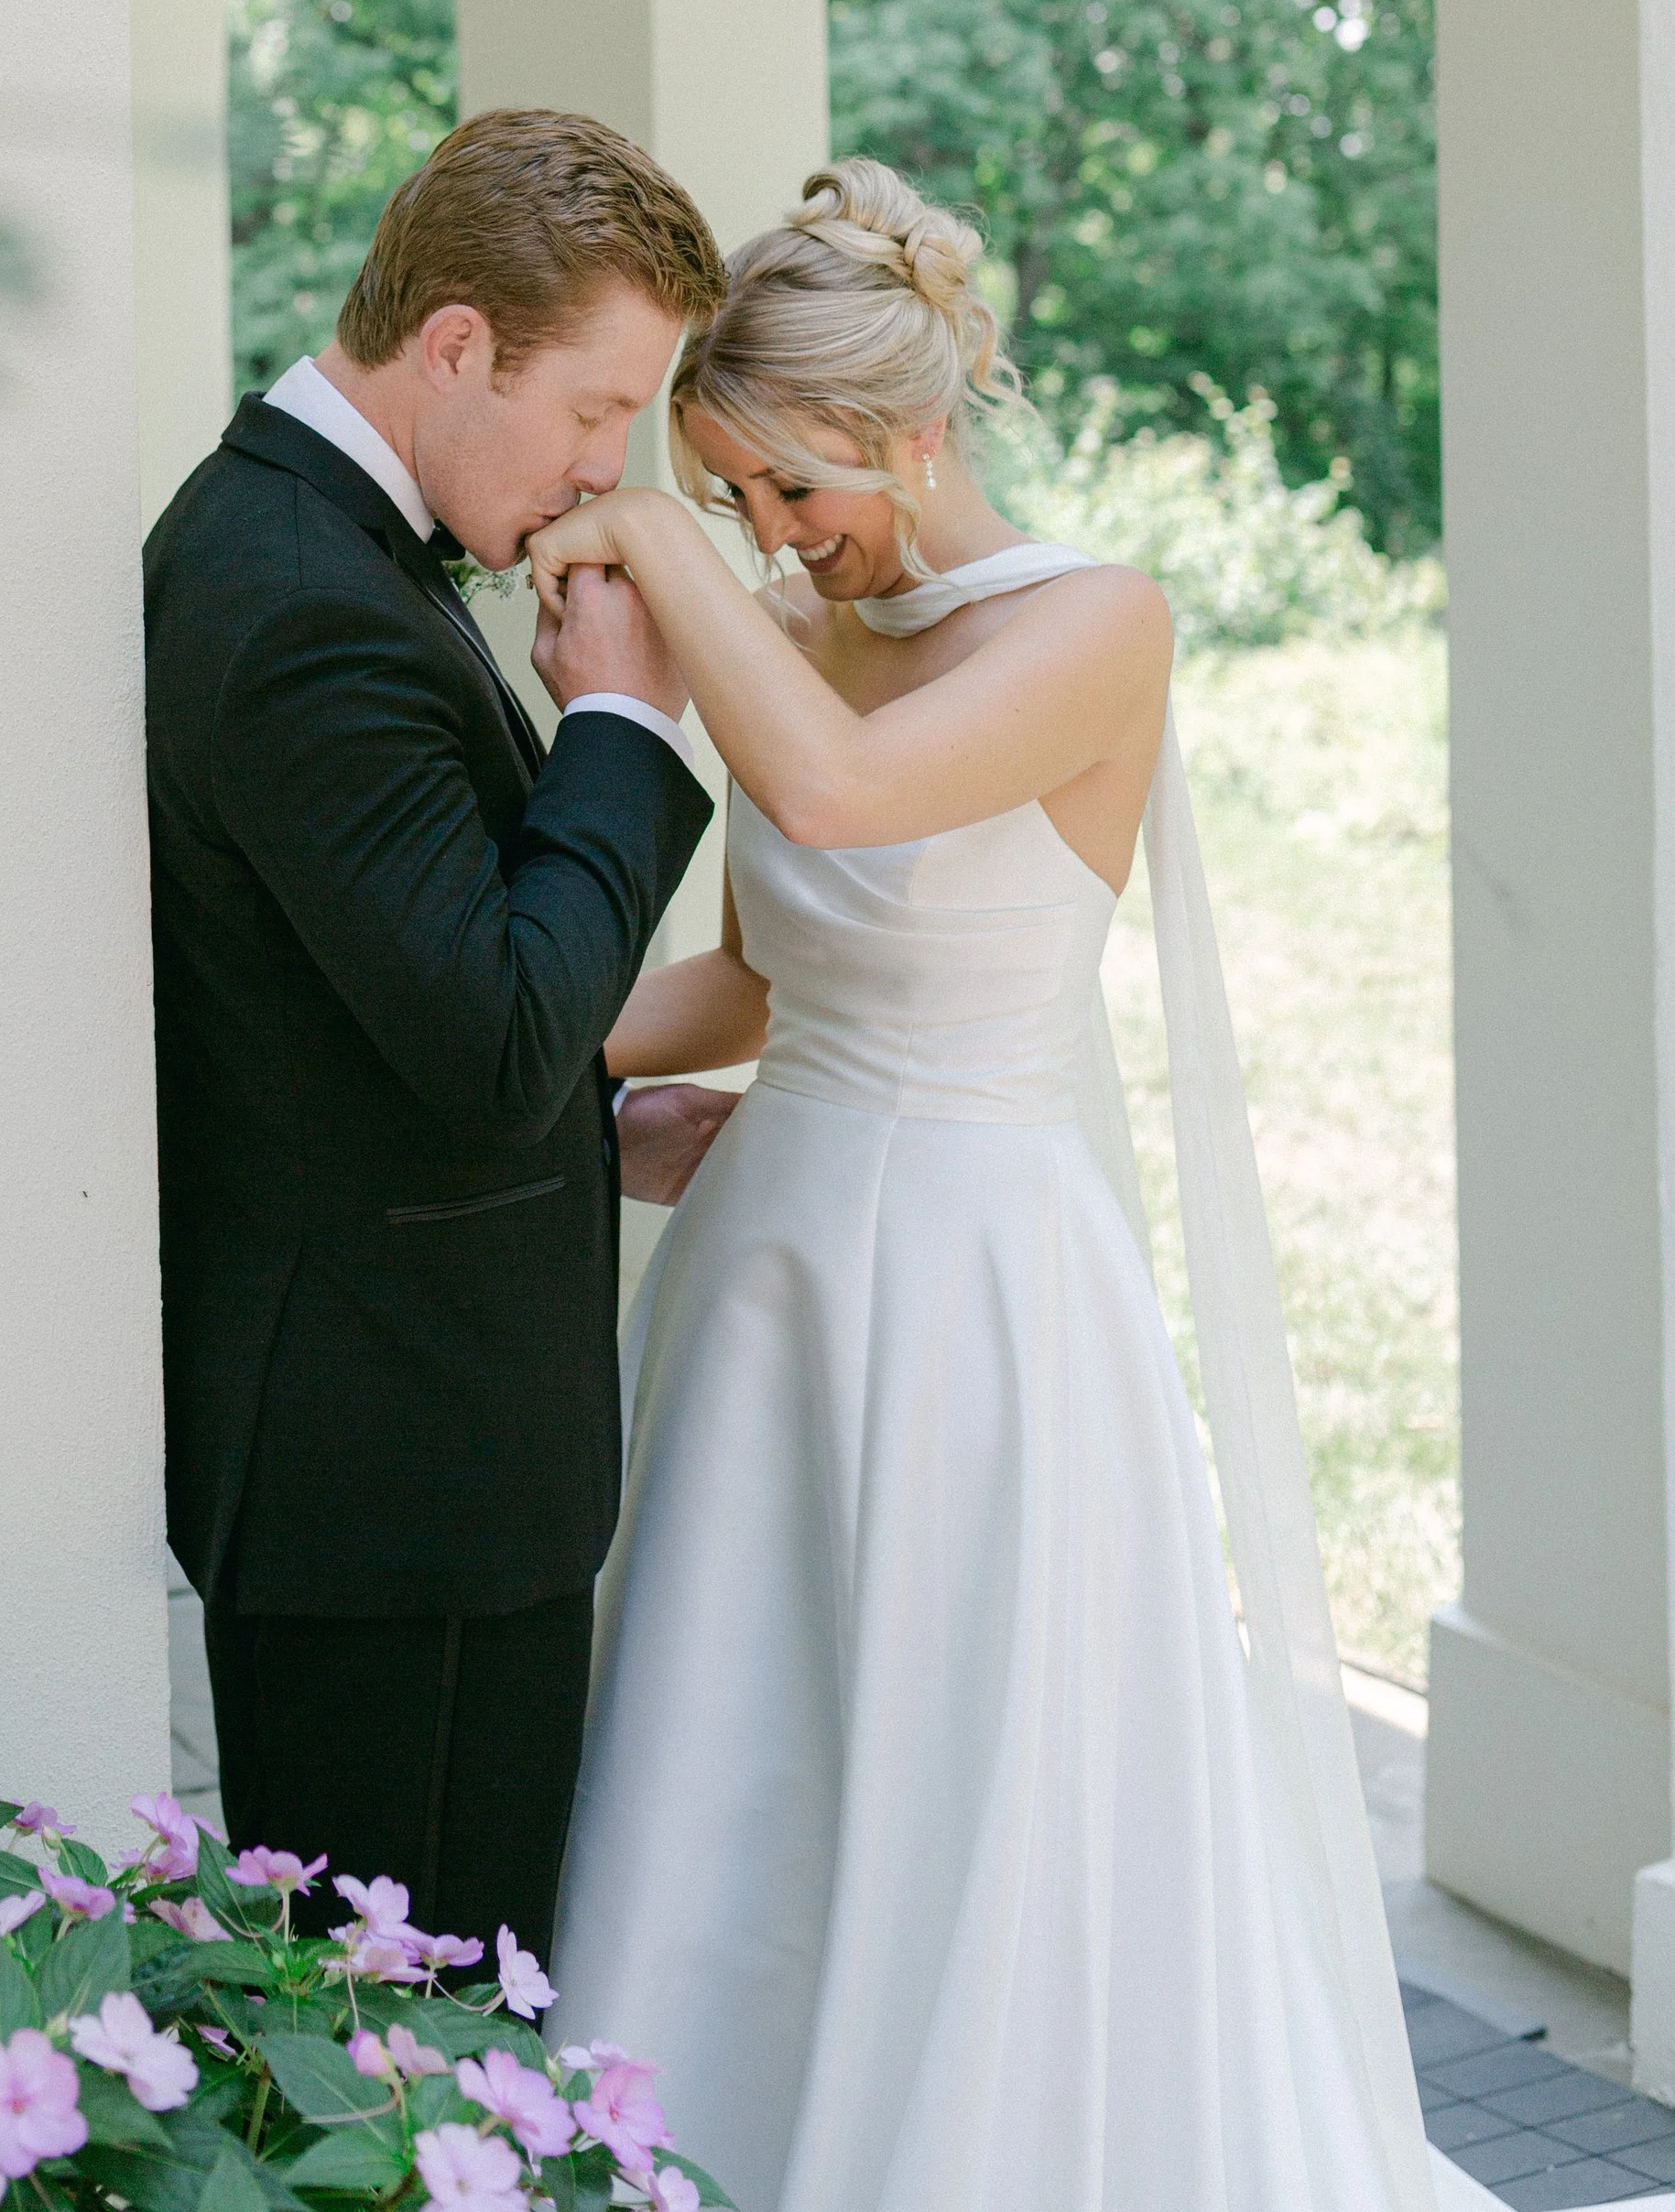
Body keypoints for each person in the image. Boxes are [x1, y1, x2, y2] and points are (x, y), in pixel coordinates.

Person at [538, 160, 1440, 2212]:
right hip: (768, 1271)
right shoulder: (784, 624)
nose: (775, 538)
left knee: (971, 1780)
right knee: (739, 1756)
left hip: (982, 1289)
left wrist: (662, 557)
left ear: (911, 435)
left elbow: (839, 796)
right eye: (731, 494)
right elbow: (768, 972)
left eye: (789, 490)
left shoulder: (1096, 628)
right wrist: (516, 1048)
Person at [142, 106, 733, 1963]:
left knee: (441, 2039)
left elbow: (371, 1005)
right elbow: (482, 1029)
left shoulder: (319, 546)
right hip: (385, 1486)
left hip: (404, 1453)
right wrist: (623, 734)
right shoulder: (301, 606)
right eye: (589, 406)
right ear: (456, 343)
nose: (603, 463)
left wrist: (585, 1119)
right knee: (401, 2058)